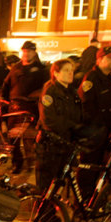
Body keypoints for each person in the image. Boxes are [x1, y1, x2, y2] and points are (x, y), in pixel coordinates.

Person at [0, 40, 49, 174]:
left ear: (34, 52)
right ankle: (17, 163)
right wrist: (2, 98)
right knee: (13, 139)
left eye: (29, 51)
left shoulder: (42, 69)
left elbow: (46, 88)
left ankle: (31, 164)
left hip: (31, 108)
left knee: (29, 139)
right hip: (14, 107)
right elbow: (6, 85)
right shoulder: (16, 68)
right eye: (24, 51)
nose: (26, 54)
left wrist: (38, 94)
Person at [77, 46, 111, 197]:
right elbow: (86, 106)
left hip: (105, 131)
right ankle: (83, 198)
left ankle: (93, 197)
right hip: (93, 132)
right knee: (89, 166)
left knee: (100, 166)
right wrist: (98, 127)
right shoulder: (92, 78)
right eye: (110, 58)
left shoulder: (110, 78)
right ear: (99, 60)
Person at [36, 59, 83, 192]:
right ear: (56, 73)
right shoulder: (50, 91)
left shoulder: (71, 92)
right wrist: (73, 126)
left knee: (58, 184)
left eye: (72, 70)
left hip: (65, 143)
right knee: (46, 187)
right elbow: (49, 120)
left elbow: (79, 114)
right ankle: (44, 212)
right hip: (50, 146)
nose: (70, 73)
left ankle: (53, 210)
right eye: (66, 70)